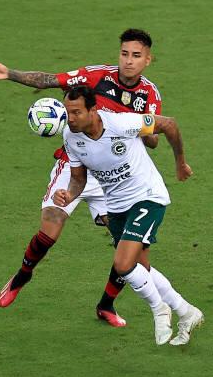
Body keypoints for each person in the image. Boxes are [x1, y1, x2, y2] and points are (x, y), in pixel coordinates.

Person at [0, 29, 161, 327]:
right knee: (51, 224)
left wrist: (135, 126)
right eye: (124, 54)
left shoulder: (150, 95)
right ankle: (21, 277)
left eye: (136, 56)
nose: (128, 61)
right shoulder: (95, 77)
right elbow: (50, 80)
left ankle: (106, 305)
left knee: (129, 250)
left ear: (147, 59)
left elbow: (154, 139)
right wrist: (10, 74)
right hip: (76, 163)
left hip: (114, 175)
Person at [53, 86, 203, 346]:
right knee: (140, 267)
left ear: (93, 110)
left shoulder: (121, 123)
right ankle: (187, 312)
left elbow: (169, 124)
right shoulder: (71, 136)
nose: (71, 118)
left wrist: (180, 162)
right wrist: (69, 195)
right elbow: (78, 180)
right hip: (117, 206)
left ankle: (159, 310)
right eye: (68, 112)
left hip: (147, 196)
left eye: (76, 112)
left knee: (123, 264)